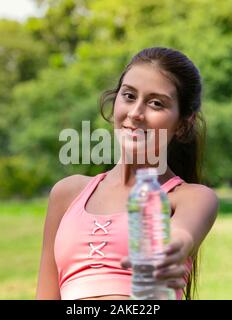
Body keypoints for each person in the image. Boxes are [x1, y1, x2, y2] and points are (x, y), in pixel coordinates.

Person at [36, 47, 218, 300]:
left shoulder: (191, 197)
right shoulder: (67, 194)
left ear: (183, 124)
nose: (135, 113)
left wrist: (170, 250)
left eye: (156, 103)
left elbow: (182, 234)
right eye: (129, 96)